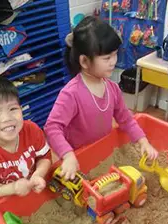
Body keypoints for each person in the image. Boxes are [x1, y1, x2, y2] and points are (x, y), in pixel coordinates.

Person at [44, 16, 158, 181]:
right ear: (84, 61)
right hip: (79, 159)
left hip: (103, 152)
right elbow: (52, 128)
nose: (113, 62)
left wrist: (143, 141)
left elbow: (126, 119)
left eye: (115, 55)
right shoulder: (71, 93)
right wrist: (68, 155)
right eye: (106, 58)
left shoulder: (112, 88)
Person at [0, 77, 51, 197]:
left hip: (38, 189)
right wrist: (13, 188)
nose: (7, 118)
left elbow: (45, 157)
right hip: (10, 200)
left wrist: (38, 175)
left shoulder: (32, 130)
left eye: (13, 109)